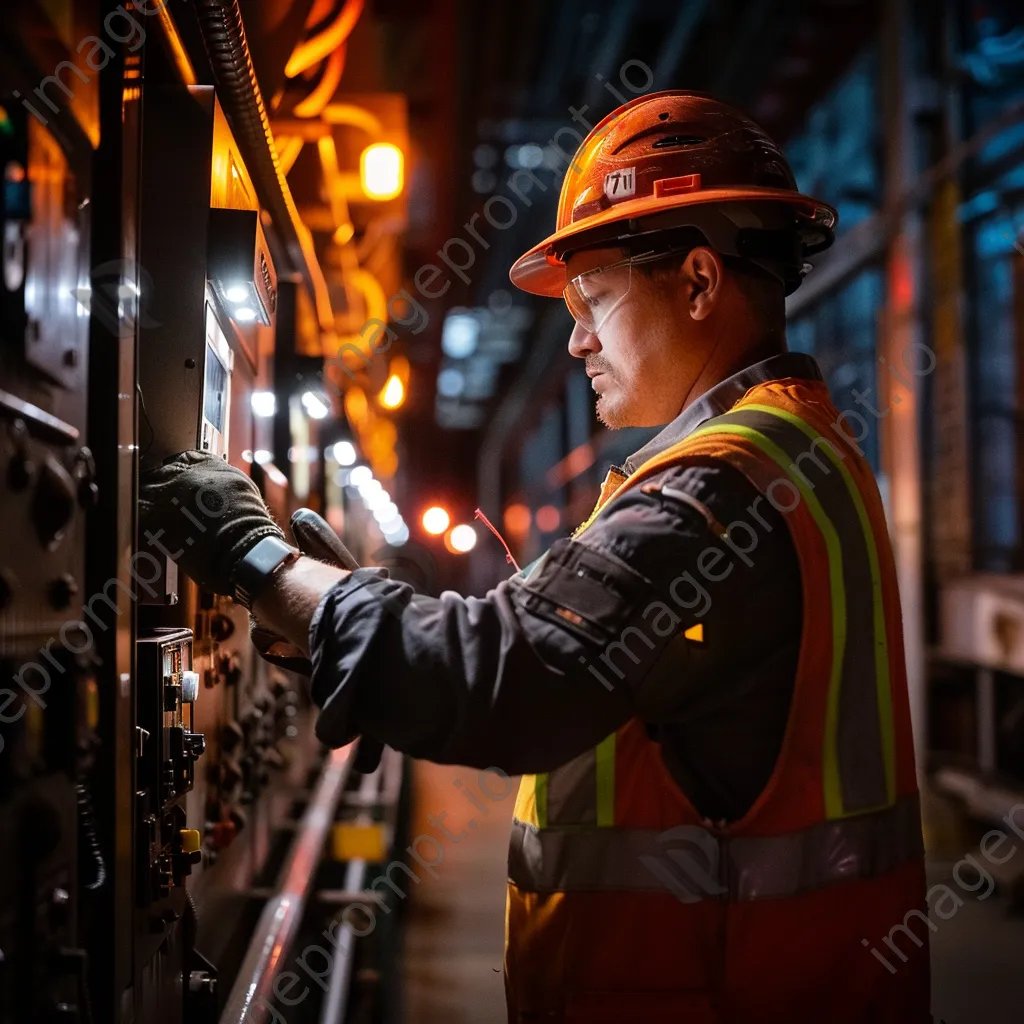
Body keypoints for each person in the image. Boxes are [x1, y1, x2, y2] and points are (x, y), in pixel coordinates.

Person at [141, 91, 932, 1023]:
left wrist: (261, 560)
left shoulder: (728, 484)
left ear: (698, 282)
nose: (576, 336)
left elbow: (509, 678)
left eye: (594, 298)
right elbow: (559, 667)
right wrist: (332, 614)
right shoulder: (793, 453)